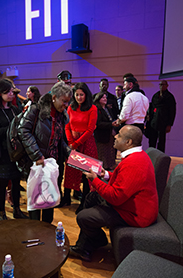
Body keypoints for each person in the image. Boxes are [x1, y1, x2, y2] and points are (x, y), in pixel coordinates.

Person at [69, 125, 159, 262]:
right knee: (91, 198)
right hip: (132, 205)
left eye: (119, 135)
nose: (115, 136)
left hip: (136, 214)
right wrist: (106, 175)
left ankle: (97, 240)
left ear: (128, 142)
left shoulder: (133, 163)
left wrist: (94, 180)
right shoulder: (137, 156)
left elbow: (115, 197)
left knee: (83, 217)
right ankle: (84, 247)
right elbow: (124, 181)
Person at [18, 81, 72, 223]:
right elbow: (23, 130)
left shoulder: (60, 114)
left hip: (52, 163)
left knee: (50, 198)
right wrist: (37, 155)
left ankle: (47, 232)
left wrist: (69, 153)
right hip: (35, 162)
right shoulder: (36, 109)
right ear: (54, 97)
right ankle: (35, 231)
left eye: (68, 102)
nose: (66, 105)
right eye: (64, 101)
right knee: (36, 199)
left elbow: (59, 140)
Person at [0, 78, 28, 220]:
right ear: (0, 93)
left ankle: (17, 209)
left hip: (15, 151)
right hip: (3, 152)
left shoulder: (14, 109)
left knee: (16, 182)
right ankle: (2, 213)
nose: (12, 94)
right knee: (3, 183)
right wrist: (11, 130)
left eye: (11, 91)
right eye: (8, 92)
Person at [61, 82, 98, 213]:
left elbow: (90, 130)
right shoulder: (71, 107)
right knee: (70, 171)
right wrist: (71, 142)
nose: (79, 97)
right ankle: (66, 198)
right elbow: (67, 126)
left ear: (86, 95)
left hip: (86, 143)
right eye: (76, 95)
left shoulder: (92, 108)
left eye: (81, 94)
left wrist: (75, 144)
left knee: (86, 174)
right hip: (73, 143)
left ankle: (85, 202)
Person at [148, 80, 176, 153]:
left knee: (161, 142)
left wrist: (169, 124)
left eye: (163, 85)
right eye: (160, 85)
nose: (162, 86)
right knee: (152, 140)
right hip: (153, 122)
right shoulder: (156, 95)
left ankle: (160, 158)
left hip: (163, 123)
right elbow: (152, 108)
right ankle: (150, 156)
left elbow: (172, 111)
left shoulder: (170, 97)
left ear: (167, 86)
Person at [93, 92, 117, 170]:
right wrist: (111, 124)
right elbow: (98, 123)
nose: (105, 99)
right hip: (101, 135)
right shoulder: (96, 109)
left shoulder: (107, 108)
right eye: (103, 98)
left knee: (110, 152)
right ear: (98, 99)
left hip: (109, 133)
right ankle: (103, 168)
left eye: (105, 97)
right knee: (102, 152)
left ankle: (109, 167)